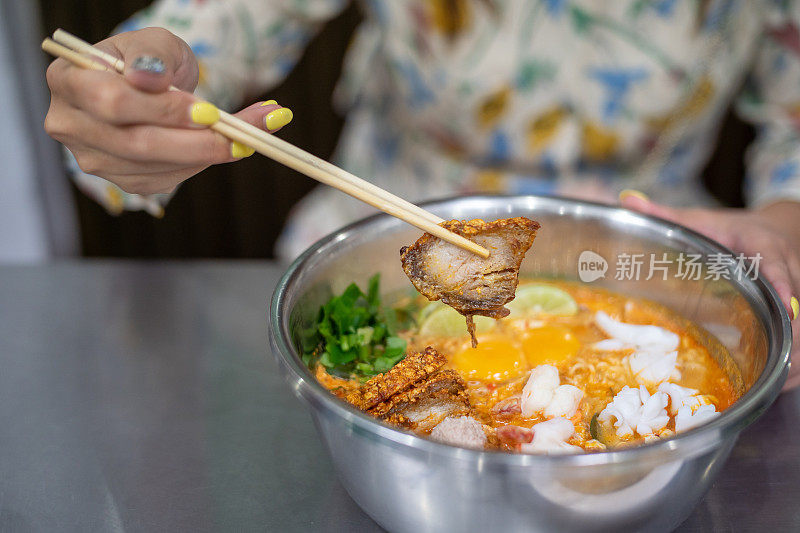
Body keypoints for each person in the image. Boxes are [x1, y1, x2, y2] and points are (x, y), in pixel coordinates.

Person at [45, 1, 799, 386]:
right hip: (379, 236)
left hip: (650, 257)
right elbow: (209, 28)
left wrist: (782, 223)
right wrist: (136, 85)